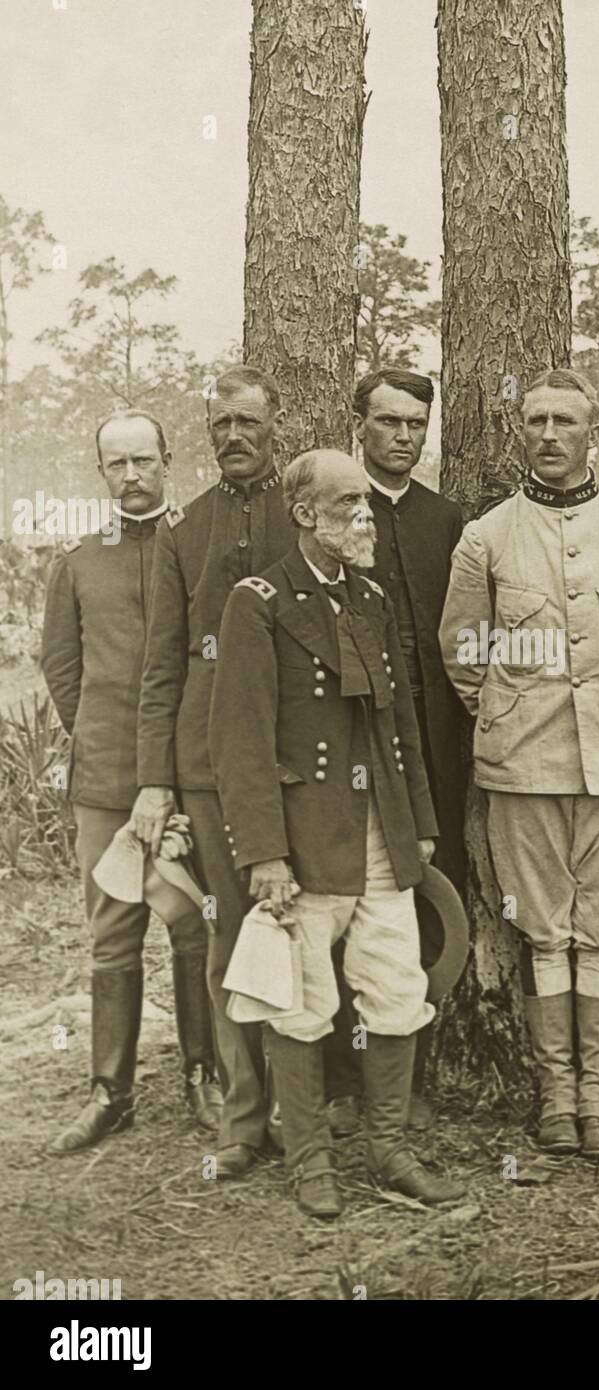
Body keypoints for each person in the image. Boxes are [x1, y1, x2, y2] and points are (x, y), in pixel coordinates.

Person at [439, 368, 599, 1157]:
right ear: (520, 431)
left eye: (565, 422)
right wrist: (510, 712)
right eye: (535, 421)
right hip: (524, 765)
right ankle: (557, 1099)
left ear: (594, 433)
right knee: (545, 936)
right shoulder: (487, 536)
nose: (549, 435)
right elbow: (463, 651)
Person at [208, 449, 466, 1216]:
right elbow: (241, 742)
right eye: (348, 504)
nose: (365, 516)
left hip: (380, 835)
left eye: (366, 503)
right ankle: (311, 1160)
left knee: (395, 990)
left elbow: (400, 726)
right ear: (305, 515)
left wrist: (419, 823)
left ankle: (389, 1150)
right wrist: (263, 854)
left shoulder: (371, 597)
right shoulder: (256, 602)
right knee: (302, 1004)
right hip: (305, 837)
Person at [42, 410, 221, 1154]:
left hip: (190, 778)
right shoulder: (79, 561)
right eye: (115, 465)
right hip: (108, 783)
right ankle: (109, 1093)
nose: (132, 476)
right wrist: (108, 744)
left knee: (192, 926)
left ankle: (204, 1077)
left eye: (143, 461)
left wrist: (176, 767)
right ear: (101, 472)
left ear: (167, 459)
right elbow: (61, 668)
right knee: (113, 935)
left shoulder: (200, 547)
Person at [131, 366, 294, 1179]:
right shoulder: (182, 530)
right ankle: (242, 1118)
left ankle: (311, 1108)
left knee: (307, 928)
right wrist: (157, 779)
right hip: (205, 765)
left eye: (247, 423)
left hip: (299, 762)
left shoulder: (302, 512)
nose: (233, 437)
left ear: (275, 424)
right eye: (220, 423)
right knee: (230, 936)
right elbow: (161, 666)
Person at [321, 368, 468, 1137]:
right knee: (355, 902)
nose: (403, 436)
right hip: (356, 749)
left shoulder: (449, 521)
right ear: (361, 425)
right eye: (388, 422)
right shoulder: (334, 514)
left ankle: (415, 1071)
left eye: (416, 423)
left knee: (433, 906)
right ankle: (348, 1079)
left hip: (438, 749)